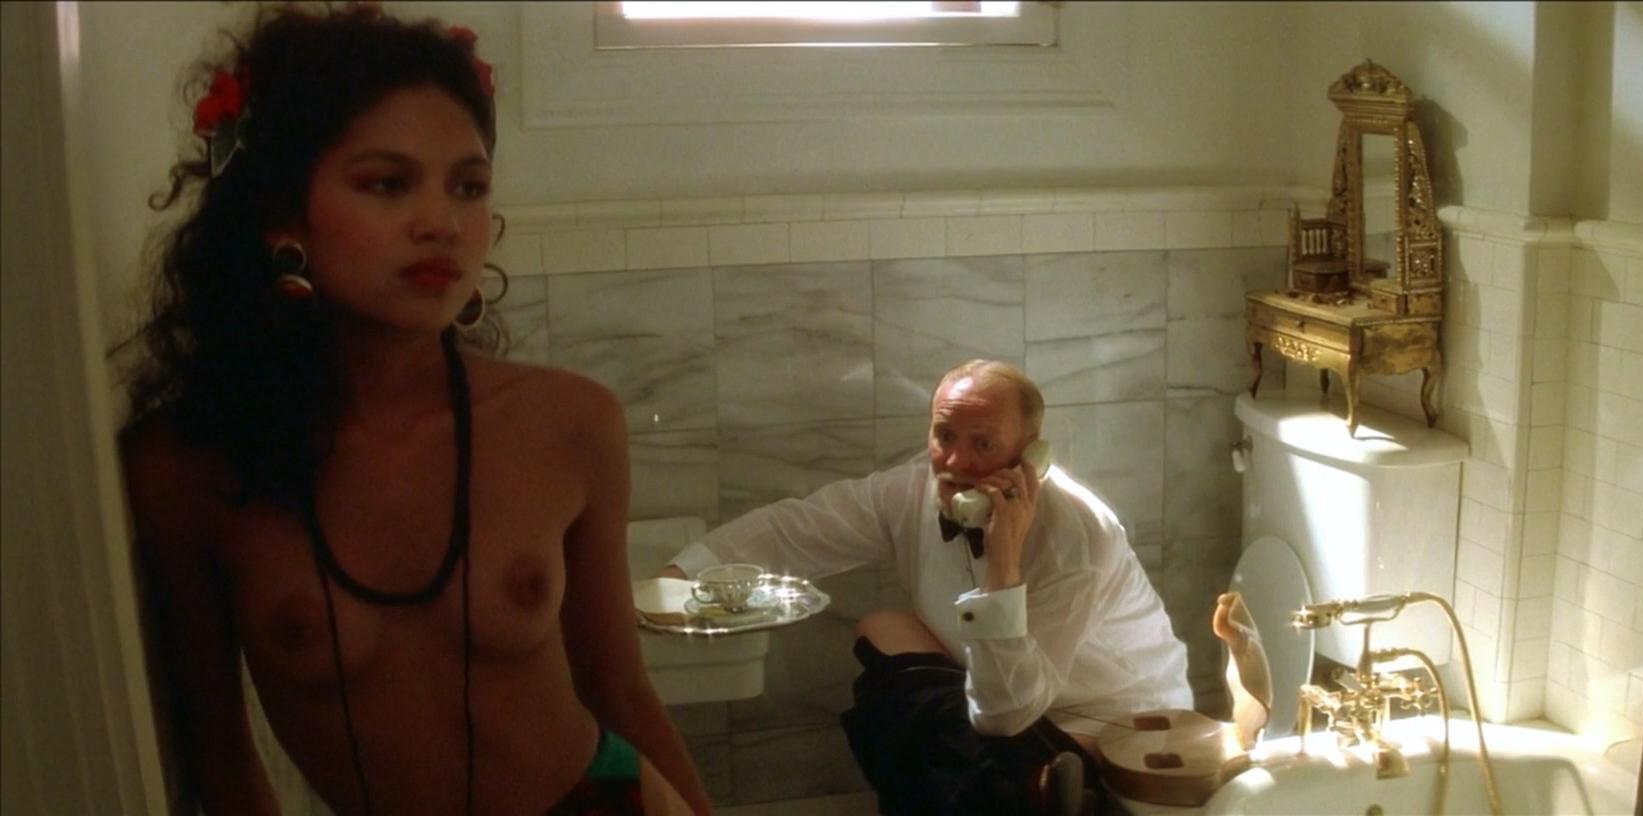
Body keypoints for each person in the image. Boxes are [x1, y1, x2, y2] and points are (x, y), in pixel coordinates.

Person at [116, 6, 710, 814]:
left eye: (468, 187)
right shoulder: (185, 468)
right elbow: (218, 758)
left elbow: (622, 692)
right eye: (387, 184)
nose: (441, 223)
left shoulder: (569, 423)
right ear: (282, 212)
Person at [660, 360, 1191, 815]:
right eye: (944, 436)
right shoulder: (912, 489)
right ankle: (1022, 786)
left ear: (1030, 454)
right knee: (882, 634)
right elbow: (798, 529)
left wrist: (1003, 562)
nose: (956, 462)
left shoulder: (1076, 536)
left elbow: (1009, 712)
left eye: (983, 443)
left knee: (930, 753)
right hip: (991, 705)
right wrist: (679, 575)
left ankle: (1021, 787)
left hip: (1112, 720)